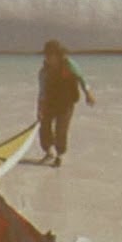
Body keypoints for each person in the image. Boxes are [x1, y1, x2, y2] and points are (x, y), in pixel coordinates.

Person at [36, 39, 96, 167]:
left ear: (58, 55)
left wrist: (88, 93)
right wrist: (40, 109)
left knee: (61, 131)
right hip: (50, 103)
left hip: (66, 103)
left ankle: (59, 155)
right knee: (44, 128)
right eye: (46, 55)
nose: (48, 58)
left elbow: (82, 78)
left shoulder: (70, 64)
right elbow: (42, 93)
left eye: (50, 54)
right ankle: (49, 152)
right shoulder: (44, 72)